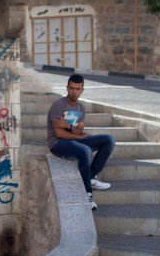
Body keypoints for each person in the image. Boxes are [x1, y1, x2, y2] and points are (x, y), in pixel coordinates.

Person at [47, 73, 115, 210]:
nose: (74, 92)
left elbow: (76, 131)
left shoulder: (81, 108)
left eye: (78, 89)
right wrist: (78, 134)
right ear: (67, 88)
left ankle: (91, 176)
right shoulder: (58, 105)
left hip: (73, 140)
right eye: (72, 88)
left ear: (82, 90)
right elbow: (58, 133)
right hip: (58, 144)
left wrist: (69, 126)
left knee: (108, 139)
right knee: (85, 150)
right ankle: (87, 195)